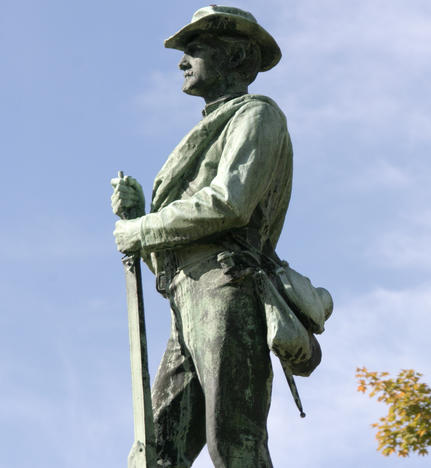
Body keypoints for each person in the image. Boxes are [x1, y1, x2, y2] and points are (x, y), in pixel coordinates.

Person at [111, 6, 297, 467]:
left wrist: (144, 228)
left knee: (234, 440)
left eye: (195, 50)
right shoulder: (213, 125)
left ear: (236, 58)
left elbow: (229, 203)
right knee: (156, 451)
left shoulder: (257, 115)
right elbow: (177, 252)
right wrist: (141, 220)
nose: (182, 61)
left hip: (226, 289)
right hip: (188, 299)